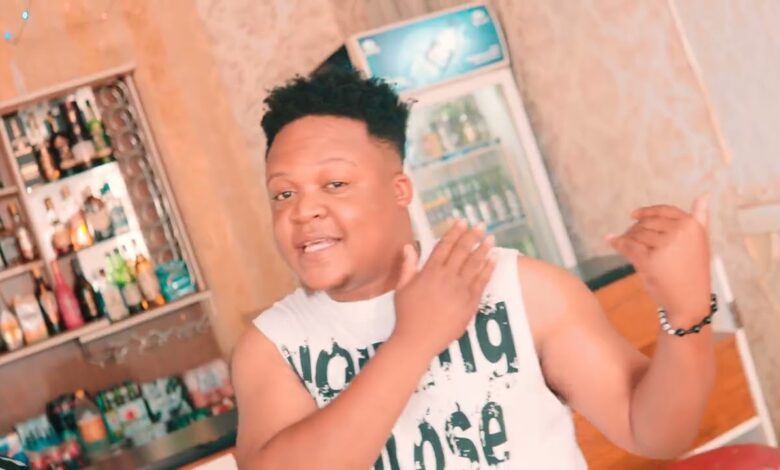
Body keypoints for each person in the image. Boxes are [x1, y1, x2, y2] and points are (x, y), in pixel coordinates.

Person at [231, 68, 715, 469]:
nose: (302, 210)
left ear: (399, 190)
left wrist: (687, 313)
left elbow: (653, 433)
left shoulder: (519, 289)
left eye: (335, 184)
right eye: (283, 193)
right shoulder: (273, 348)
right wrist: (413, 341)